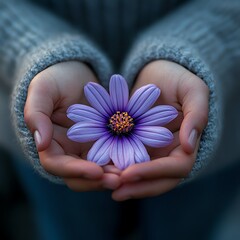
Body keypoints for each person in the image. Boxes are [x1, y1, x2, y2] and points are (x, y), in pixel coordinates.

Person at [1, 0, 240, 239]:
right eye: (119, 121)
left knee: (187, 231)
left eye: (122, 121)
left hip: (213, 135)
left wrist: (205, 44)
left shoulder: (143, 119)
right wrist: (35, 51)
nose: (121, 122)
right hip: (58, 132)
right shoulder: (79, 123)